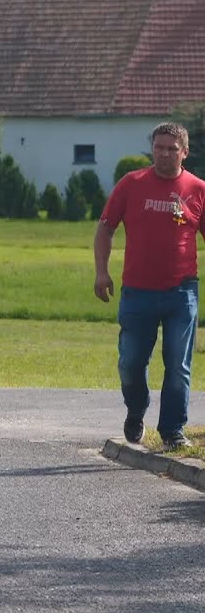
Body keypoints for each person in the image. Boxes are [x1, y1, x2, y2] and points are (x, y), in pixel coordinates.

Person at [95, 122, 205, 451]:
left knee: (178, 365)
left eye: (172, 148)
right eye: (158, 147)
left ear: (184, 152)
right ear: (152, 149)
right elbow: (105, 228)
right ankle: (136, 409)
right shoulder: (132, 184)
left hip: (181, 291)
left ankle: (172, 429)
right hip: (137, 291)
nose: (164, 153)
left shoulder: (197, 189)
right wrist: (102, 271)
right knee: (130, 362)